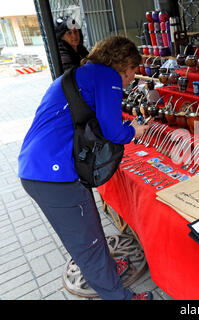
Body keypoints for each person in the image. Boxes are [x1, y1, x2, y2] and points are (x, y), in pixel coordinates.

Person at [18, 36, 152, 300]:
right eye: (131, 74)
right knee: (87, 243)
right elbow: (113, 131)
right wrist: (133, 130)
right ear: (123, 66)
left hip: (40, 166)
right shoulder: (107, 76)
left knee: (90, 226)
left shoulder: (81, 74)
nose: (129, 81)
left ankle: (110, 270)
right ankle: (118, 296)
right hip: (51, 174)